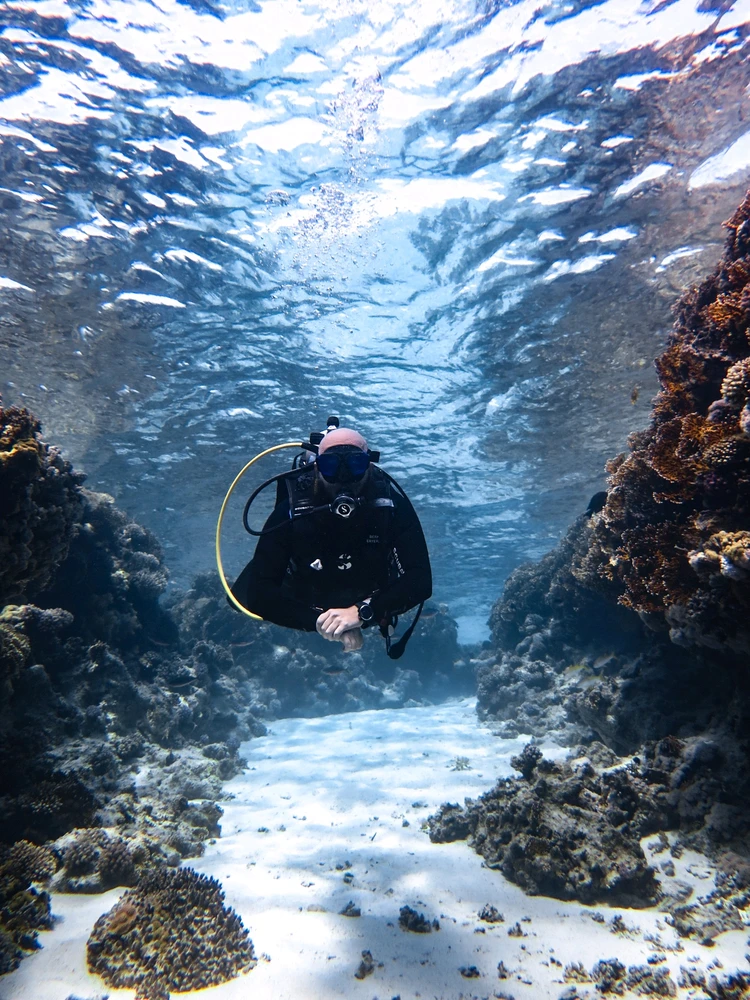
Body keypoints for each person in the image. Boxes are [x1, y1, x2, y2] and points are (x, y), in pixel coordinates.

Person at [231, 427, 432, 655]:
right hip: (306, 594)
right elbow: (259, 594)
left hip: (369, 597)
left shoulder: (390, 507)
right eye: (331, 467)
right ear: (317, 467)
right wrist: (324, 622)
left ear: (369, 466)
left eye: (355, 465)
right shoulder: (293, 510)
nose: (343, 478)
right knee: (239, 596)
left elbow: (420, 581)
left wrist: (363, 613)